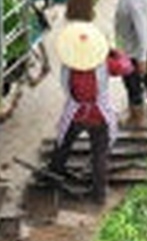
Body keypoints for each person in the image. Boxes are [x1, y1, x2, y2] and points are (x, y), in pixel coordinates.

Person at [47, 20, 114, 202]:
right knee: (99, 153)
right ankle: (99, 194)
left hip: (76, 113)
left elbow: (67, 88)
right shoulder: (104, 64)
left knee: (63, 144)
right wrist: (115, 53)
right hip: (99, 115)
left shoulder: (69, 67)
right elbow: (126, 67)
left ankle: (53, 176)